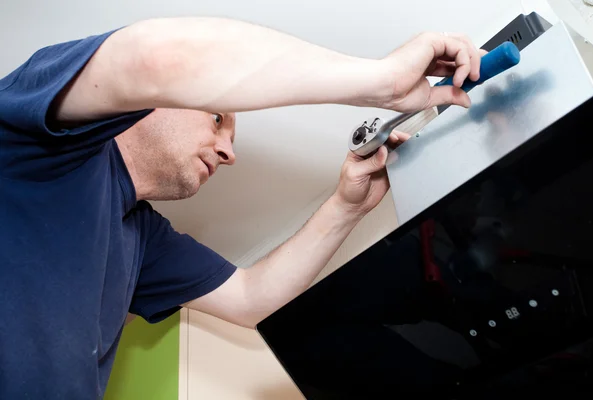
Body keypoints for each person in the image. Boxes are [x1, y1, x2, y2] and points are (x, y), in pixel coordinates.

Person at [0, 16, 482, 399]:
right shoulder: (37, 142)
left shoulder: (140, 236)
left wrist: (346, 205)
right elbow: (158, 58)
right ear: (159, 102)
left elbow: (251, 297)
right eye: (217, 119)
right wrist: (380, 80)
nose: (230, 152)